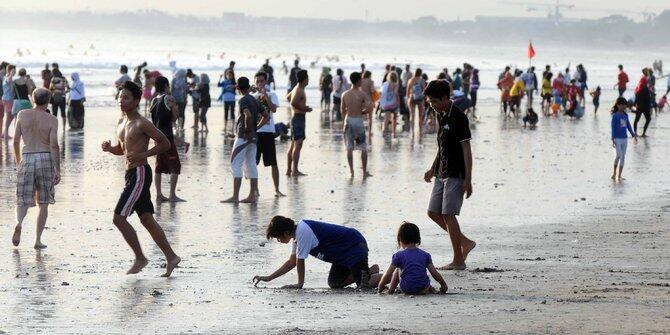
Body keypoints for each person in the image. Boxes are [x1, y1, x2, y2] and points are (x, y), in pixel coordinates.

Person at [101, 80, 181, 277]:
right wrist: (110, 149)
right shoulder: (121, 122)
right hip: (131, 174)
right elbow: (123, 149)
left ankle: (140, 258)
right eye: (120, 97)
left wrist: (143, 155)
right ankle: (171, 257)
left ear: (136, 101)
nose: (122, 101)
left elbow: (164, 143)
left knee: (118, 218)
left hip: (140, 174)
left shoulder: (142, 122)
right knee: (146, 219)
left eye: (126, 98)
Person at [423, 80, 476, 270]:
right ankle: (465, 243)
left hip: (456, 172)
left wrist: (468, 179)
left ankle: (458, 260)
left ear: (445, 98)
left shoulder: (459, 117)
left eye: (435, 102)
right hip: (441, 171)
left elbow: (466, 149)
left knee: (448, 214)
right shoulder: (441, 114)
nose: (432, 106)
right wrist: (432, 168)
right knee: (433, 212)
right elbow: (442, 146)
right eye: (430, 103)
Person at [252, 216, 382, 289]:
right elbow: (291, 263)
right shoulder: (297, 237)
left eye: (278, 238)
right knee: (334, 283)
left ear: (286, 232)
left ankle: (390, 275)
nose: (279, 241)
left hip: (354, 246)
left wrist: (299, 284)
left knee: (364, 285)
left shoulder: (303, 231)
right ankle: (367, 271)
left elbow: (300, 261)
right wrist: (268, 278)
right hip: (342, 257)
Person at [11, 88, 61, 249]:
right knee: (43, 202)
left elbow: (16, 141)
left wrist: (19, 160)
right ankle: (37, 240)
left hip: (27, 156)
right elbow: (54, 145)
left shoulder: (22, 114)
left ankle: (19, 223)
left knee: (23, 198)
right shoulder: (52, 119)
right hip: (45, 157)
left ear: (33, 99)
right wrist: (57, 169)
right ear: (48, 101)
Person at [222, 77, 266, 203]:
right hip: (253, 137)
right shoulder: (254, 99)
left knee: (235, 164)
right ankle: (252, 195)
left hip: (243, 136)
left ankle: (235, 196)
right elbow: (266, 116)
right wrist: (255, 128)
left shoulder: (243, 100)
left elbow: (248, 115)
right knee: (251, 164)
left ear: (238, 87)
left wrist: (247, 130)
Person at [377, 222, 448, 295]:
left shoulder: (398, 255)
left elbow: (388, 273)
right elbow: (434, 273)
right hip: (423, 288)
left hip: (406, 289)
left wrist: (381, 285)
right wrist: (443, 285)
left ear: (400, 239)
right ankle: (429, 288)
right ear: (418, 238)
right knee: (420, 273)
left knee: (397, 269)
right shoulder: (425, 255)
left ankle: (391, 290)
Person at [150, 76, 188, 203]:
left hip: (157, 137)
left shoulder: (154, 100)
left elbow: (155, 122)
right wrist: (175, 109)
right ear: (166, 85)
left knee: (159, 167)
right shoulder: (169, 98)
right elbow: (174, 118)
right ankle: (172, 195)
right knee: (175, 166)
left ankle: (159, 195)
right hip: (166, 139)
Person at [253, 71, 285, 197]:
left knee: (273, 162)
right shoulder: (253, 97)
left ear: (266, 82)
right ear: (255, 82)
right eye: (258, 81)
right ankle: (255, 190)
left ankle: (277, 189)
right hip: (256, 132)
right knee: (253, 163)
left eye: (262, 81)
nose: (260, 83)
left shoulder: (272, 94)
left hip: (268, 132)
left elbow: (273, 109)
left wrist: (266, 97)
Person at [341, 72, 372, 178]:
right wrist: (363, 112)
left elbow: (342, 110)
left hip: (348, 120)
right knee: (363, 147)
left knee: (349, 147)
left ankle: (351, 171)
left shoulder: (345, 94)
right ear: (358, 81)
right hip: (358, 120)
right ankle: (364, 172)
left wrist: (345, 120)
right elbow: (370, 106)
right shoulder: (362, 94)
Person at [286, 70, 312, 177]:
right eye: (308, 78)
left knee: (294, 144)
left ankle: (289, 170)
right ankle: (294, 170)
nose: (308, 80)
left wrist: (299, 108)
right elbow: (292, 102)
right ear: (304, 79)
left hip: (297, 118)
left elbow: (288, 97)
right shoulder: (299, 90)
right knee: (298, 144)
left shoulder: (297, 88)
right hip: (298, 118)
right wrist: (304, 108)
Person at [611, 97, 638, 181]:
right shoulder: (615, 116)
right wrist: (613, 139)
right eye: (622, 105)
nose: (623, 107)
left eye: (625, 105)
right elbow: (613, 128)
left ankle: (619, 175)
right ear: (618, 105)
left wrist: (633, 135)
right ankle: (614, 173)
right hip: (617, 139)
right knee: (618, 155)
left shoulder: (626, 115)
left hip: (624, 139)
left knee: (623, 156)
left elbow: (628, 126)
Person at [406, 68, 427, 137]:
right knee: (420, 116)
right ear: (420, 73)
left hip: (412, 98)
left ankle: (412, 132)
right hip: (420, 99)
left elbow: (407, 92)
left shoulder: (410, 80)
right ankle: (420, 131)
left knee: (412, 115)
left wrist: (407, 99)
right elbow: (424, 91)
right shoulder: (422, 80)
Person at [380, 72, 400, 138]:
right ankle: (394, 133)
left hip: (386, 104)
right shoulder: (396, 84)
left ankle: (384, 131)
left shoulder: (385, 84)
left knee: (386, 118)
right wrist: (398, 101)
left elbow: (381, 93)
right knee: (394, 118)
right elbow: (396, 93)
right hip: (394, 103)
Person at [218, 69, 237, 135]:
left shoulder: (233, 82)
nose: (229, 76)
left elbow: (237, 86)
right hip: (225, 99)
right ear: (226, 75)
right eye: (228, 75)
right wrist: (220, 78)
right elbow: (218, 85)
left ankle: (233, 128)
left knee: (232, 113)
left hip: (232, 99)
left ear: (232, 76)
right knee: (225, 113)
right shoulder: (224, 81)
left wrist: (232, 86)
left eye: (230, 75)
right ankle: (225, 127)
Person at [634, 70, 652, 137]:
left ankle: (635, 133)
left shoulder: (638, 88)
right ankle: (643, 133)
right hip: (645, 107)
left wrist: (635, 105)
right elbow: (648, 99)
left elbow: (636, 97)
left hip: (639, 106)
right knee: (648, 119)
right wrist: (650, 107)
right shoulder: (646, 89)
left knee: (636, 120)